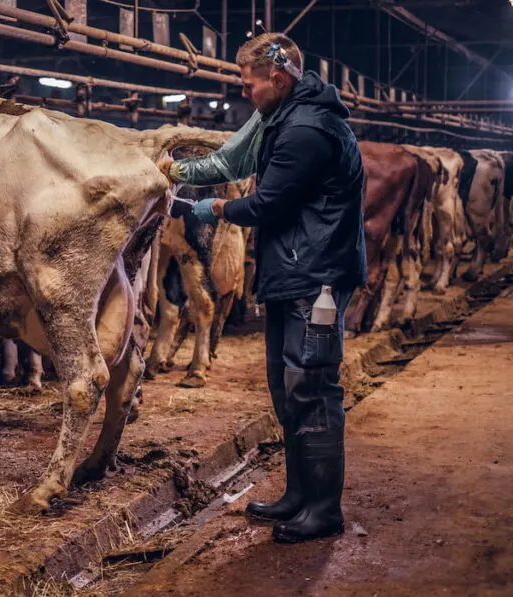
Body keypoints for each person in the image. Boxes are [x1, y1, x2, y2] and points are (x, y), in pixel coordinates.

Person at [164, 33, 367, 543]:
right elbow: (243, 165)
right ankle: (299, 494)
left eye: (249, 84)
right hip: (292, 272)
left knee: (312, 389)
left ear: (277, 79)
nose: (244, 92)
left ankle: (323, 511)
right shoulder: (284, 114)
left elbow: (266, 204)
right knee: (285, 387)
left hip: (314, 279)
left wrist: (210, 207)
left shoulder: (307, 129)